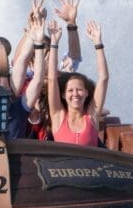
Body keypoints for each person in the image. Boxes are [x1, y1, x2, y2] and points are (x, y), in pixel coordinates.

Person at [46, 19, 108, 147]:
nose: (75, 94)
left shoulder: (92, 115)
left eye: (79, 90)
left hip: (90, 166)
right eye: (70, 90)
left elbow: (103, 78)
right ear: (63, 95)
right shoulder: (58, 116)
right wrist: (54, 43)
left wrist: (98, 44)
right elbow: (52, 80)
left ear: (86, 93)